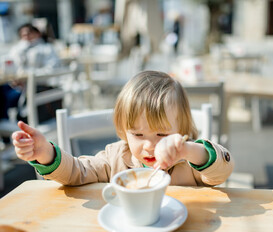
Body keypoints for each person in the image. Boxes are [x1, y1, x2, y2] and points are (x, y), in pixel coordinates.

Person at [12, 71, 233, 186]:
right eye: (137, 134)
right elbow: (77, 172)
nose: (149, 145)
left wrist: (189, 150)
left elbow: (223, 171)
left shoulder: (190, 163)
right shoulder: (115, 158)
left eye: (162, 134)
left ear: (181, 129)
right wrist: (45, 153)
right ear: (123, 131)